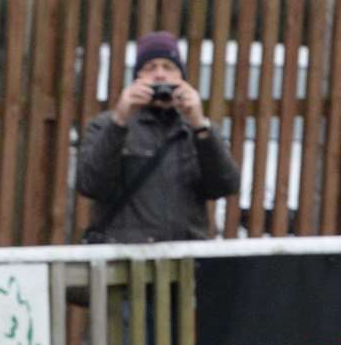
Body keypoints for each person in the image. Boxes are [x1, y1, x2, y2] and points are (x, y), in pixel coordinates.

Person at [76, 30, 240, 243]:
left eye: (169, 67)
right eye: (150, 68)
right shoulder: (106, 125)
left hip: (185, 258)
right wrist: (120, 121)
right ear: (137, 77)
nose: (160, 75)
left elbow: (226, 186)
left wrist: (200, 126)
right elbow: (91, 185)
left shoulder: (200, 130)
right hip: (125, 258)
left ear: (181, 78)